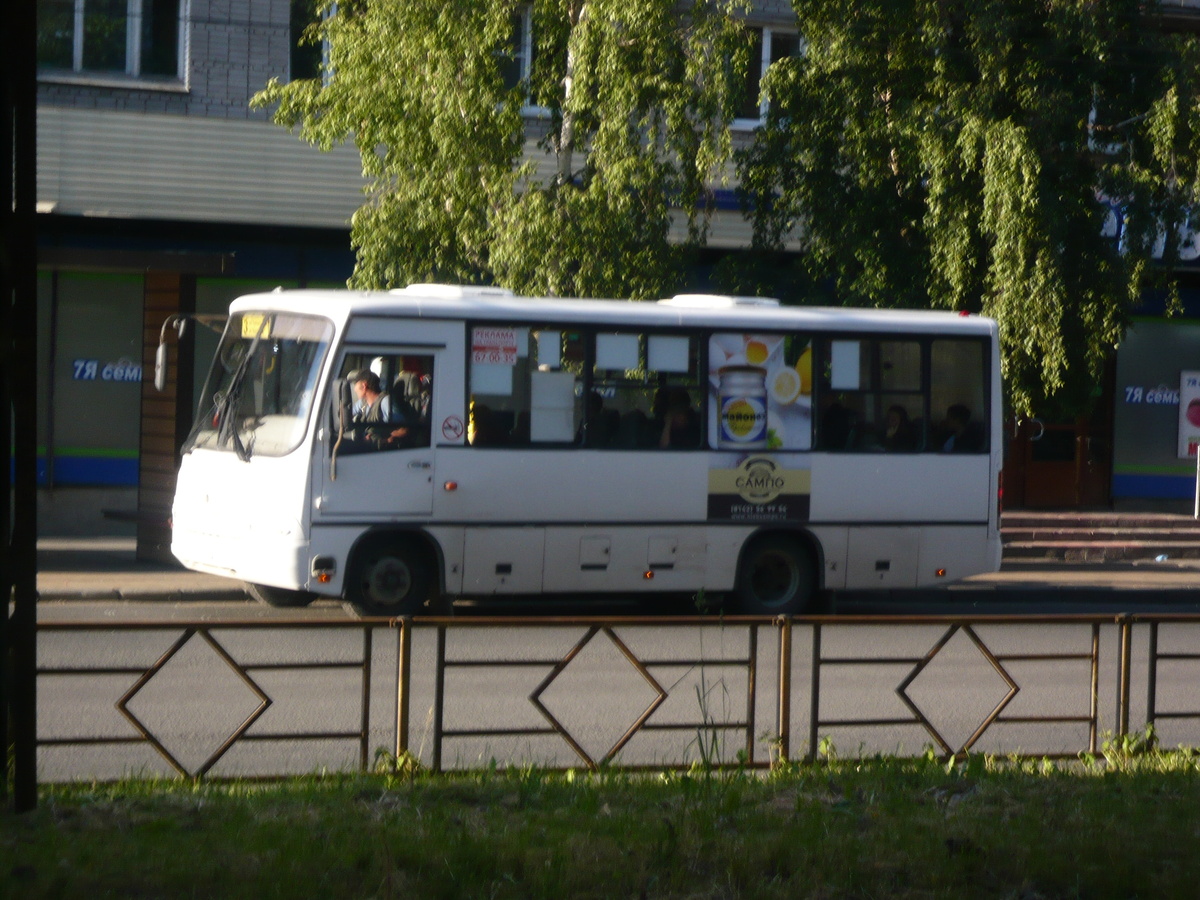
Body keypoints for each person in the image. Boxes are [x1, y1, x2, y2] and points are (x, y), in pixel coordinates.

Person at [347, 369, 412, 447]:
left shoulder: (385, 402)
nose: (355, 389)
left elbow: (404, 430)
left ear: (364, 386)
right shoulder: (363, 402)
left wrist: (383, 439)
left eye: (356, 384)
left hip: (381, 451)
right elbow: (347, 416)